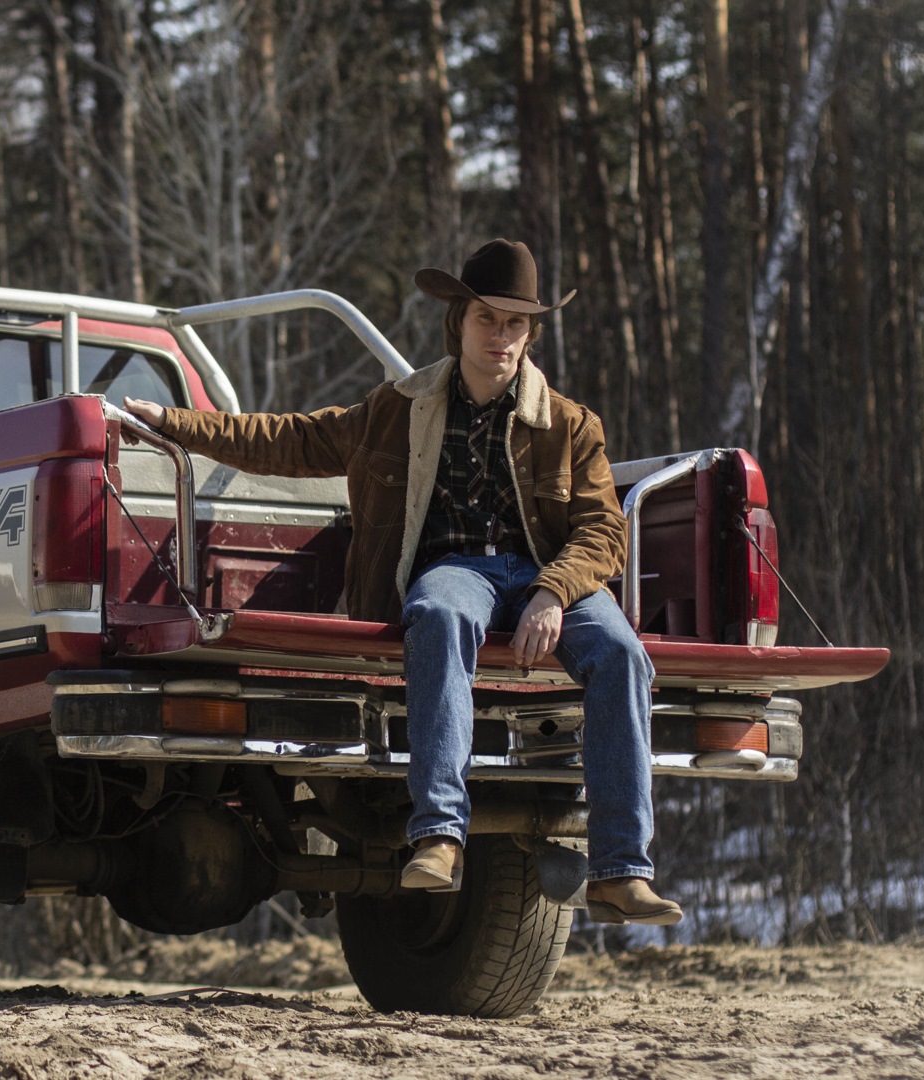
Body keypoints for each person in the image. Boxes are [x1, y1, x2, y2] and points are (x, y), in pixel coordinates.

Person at [121, 238, 681, 926]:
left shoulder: (569, 425)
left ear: (530, 333)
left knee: (623, 653)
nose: (500, 337)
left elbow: (603, 530)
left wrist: (552, 592)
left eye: (515, 323)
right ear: (459, 322)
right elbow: (290, 439)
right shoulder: (398, 409)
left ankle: (621, 871)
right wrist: (173, 422)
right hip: (455, 574)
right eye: (487, 319)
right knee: (438, 615)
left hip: (548, 575)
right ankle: (439, 836)